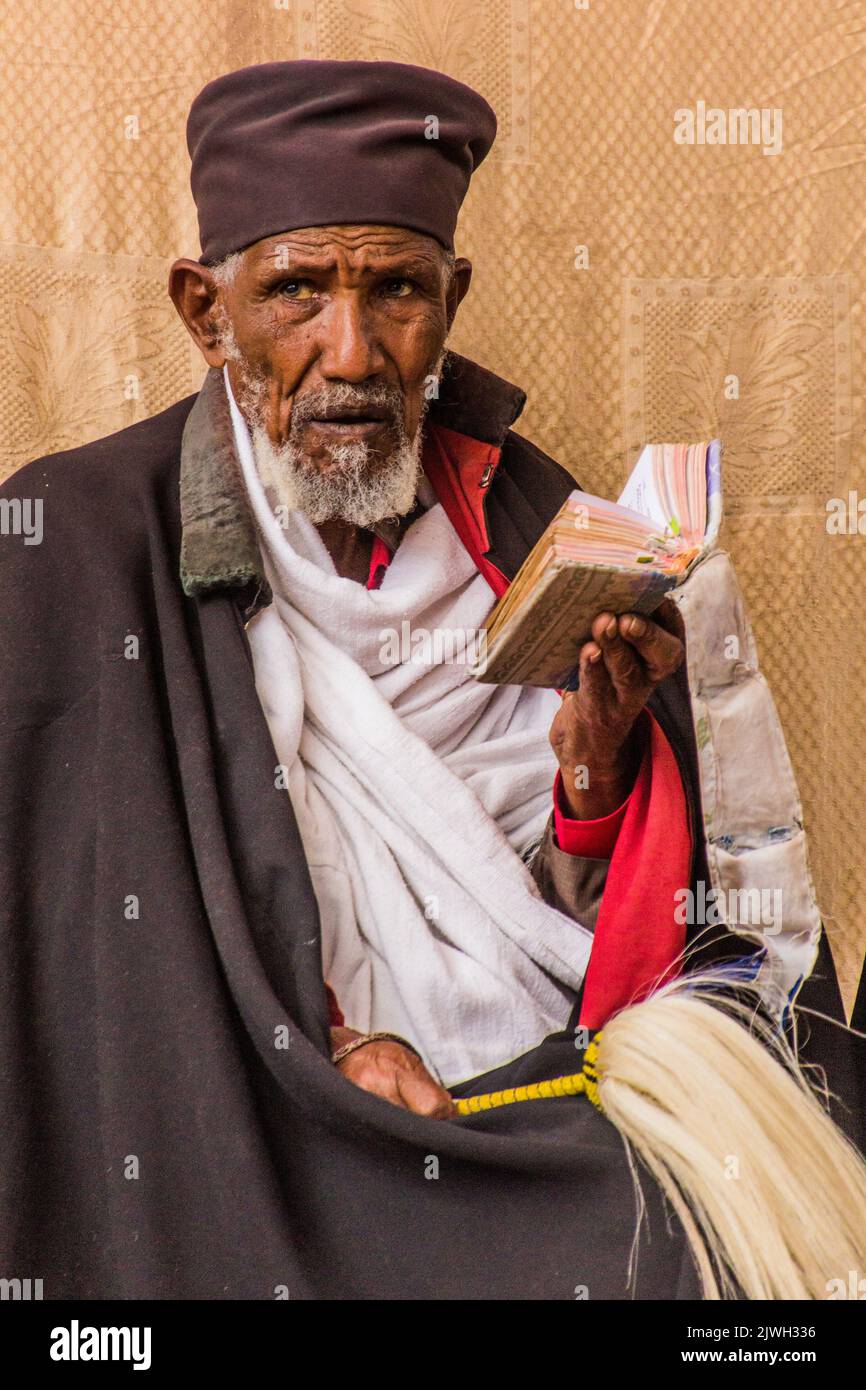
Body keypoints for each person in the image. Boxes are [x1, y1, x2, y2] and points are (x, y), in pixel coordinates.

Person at [0, 58, 860, 1299]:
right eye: (295, 293)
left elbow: (651, 938)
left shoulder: (530, 516)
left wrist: (594, 775)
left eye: (397, 291)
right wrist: (328, 1039)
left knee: (703, 1244)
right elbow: (79, 961)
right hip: (257, 1111)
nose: (352, 354)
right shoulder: (65, 547)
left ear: (449, 298)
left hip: (542, 1089)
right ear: (206, 309)